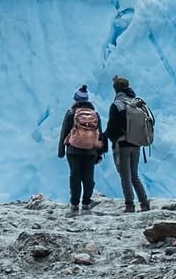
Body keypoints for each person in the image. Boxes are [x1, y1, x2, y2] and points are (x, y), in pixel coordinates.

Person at [57, 84, 106, 214]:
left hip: (73, 151)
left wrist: (61, 151)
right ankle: (86, 202)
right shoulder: (95, 115)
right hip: (90, 151)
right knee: (88, 177)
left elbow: (64, 132)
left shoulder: (71, 113)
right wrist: (100, 152)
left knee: (75, 176)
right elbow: (99, 134)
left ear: (75, 99)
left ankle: (74, 204)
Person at [107, 74, 152, 212]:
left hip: (122, 146)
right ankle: (144, 203)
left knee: (125, 176)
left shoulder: (117, 105)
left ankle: (129, 205)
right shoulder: (136, 103)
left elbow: (111, 128)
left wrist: (107, 138)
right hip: (136, 144)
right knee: (134, 175)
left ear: (115, 89)